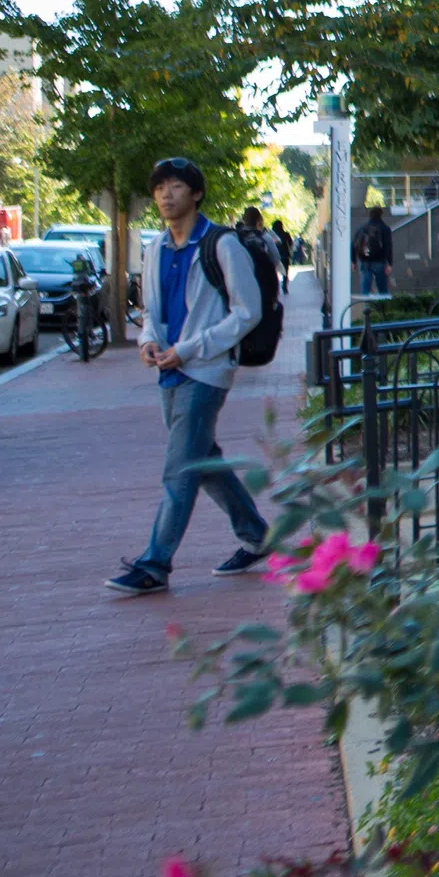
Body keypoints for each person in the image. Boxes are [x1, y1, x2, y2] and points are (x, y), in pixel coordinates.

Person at [105, 157, 272, 597]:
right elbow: (151, 311)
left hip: (207, 370)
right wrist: (148, 342)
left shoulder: (222, 245)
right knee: (203, 461)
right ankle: (258, 536)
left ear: (195, 193)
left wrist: (190, 349)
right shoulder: (156, 247)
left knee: (179, 470)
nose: (165, 195)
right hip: (169, 369)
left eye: (176, 186)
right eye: (160, 187)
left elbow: (248, 311)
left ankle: (155, 563)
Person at [352, 204, 393, 299]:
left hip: (364, 261)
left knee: (365, 289)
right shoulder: (385, 228)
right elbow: (388, 246)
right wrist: (389, 263)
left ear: (370, 215)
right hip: (380, 261)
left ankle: (365, 310)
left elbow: (353, 244)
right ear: (381, 215)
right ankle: (384, 310)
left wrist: (354, 261)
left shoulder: (362, 228)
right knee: (382, 289)